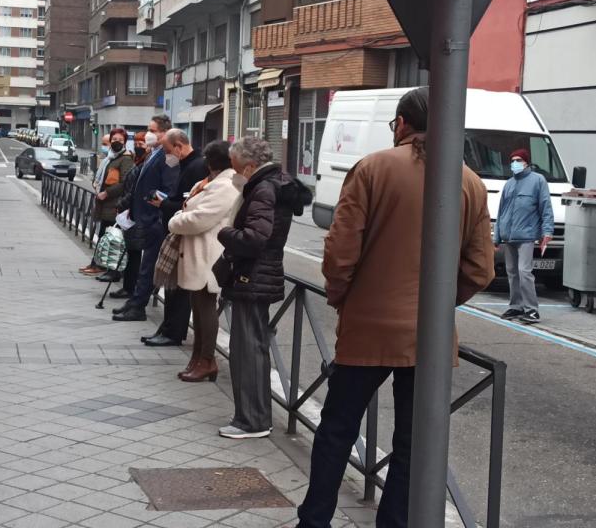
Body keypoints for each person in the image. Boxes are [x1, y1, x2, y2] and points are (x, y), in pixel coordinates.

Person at [296, 87, 495, 528]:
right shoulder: (468, 181)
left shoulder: (372, 169)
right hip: (429, 337)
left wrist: (343, 294)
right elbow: (481, 268)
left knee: (337, 431)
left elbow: (340, 253)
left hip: (368, 326)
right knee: (412, 442)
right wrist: (441, 301)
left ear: (401, 125)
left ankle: (314, 521)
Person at [216, 136, 300, 439]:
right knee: (252, 347)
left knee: (248, 349)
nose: (235, 173)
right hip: (259, 276)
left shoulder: (263, 188)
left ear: (250, 166)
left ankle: (251, 420)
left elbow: (255, 238)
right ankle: (255, 417)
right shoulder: (273, 183)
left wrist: (225, 233)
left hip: (252, 276)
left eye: (237, 167)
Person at [168, 141, 239, 380]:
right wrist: (182, 214)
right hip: (196, 253)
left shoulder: (226, 185)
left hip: (208, 255)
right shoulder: (210, 182)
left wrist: (175, 219)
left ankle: (206, 360)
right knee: (197, 309)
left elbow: (199, 218)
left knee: (205, 309)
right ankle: (198, 358)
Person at [143, 129, 209, 347]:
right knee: (173, 286)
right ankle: (169, 328)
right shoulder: (188, 164)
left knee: (178, 288)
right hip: (176, 230)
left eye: (168, 151)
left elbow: (188, 206)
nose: (167, 156)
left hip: (183, 234)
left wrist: (163, 204)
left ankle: (173, 332)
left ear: (179, 146)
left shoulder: (196, 167)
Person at [113, 116, 179, 322]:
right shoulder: (154, 153)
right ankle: (135, 302)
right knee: (145, 264)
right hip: (144, 216)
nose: (148, 133)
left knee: (149, 265)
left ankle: (138, 306)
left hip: (155, 219)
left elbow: (167, 189)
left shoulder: (167, 157)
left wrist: (155, 214)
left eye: (152, 130)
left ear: (163, 133)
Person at [495, 148, 554, 324]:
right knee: (512, 273)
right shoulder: (509, 184)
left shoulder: (538, 181)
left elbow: (546, 208)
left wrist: (547, 232)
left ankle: (532, 309)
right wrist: (497, 237)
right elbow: (501, 212)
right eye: (513, 160)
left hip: (526, 236)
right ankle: (516, 306)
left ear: (526, 162)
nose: (515, 163)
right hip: (508, 236)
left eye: (519, 160)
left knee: (524, 271)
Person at [110, 131, 152, 300]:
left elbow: (135, 190)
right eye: (137, 143)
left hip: (135, 213)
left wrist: (121, 204)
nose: (139, 146)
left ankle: (130, 289)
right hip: (130, 212)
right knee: (130, 251)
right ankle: (128, 287)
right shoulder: (138, 160)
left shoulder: (144, 163)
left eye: (142, 143)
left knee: (134, 253)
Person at [93, 128, 135, 282]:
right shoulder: (110, 158)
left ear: (125, 142)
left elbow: (124, 183)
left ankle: (114, 272)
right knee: (106, 236)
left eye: (120, 140)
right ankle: (104, 267)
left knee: (114, 238)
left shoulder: (126, 159)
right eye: (113, 139)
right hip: (105, 204)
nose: (116, 142)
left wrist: (107, 192)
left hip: (114, 204)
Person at [79, 134, 118, 276]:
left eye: (106, 143)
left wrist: (106, 192)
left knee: (106, 237)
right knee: (102, 236)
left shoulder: (118, 160)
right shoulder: (107, 159)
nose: (104, 146)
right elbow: (99, 177)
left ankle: (100, 265)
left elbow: (120, 183)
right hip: (103, 203)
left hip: (111, 205)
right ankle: (96, 263)